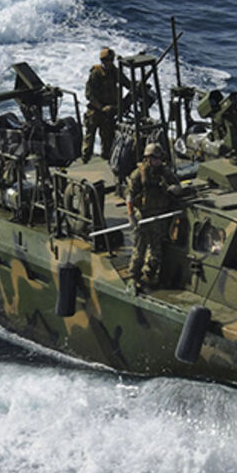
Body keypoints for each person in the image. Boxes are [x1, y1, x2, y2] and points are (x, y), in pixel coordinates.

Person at [125, 143, 182, 292]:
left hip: (160, 216)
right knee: (139, 249)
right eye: (155, 158)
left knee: (156, 251)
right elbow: (130, 196)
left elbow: (177, 185)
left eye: (159, 158)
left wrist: (174, 189)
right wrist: (131, 215)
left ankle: (148, 274)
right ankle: (133, 277)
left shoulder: (164, 172)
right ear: (148, 159)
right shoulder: (139, 174)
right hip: (143, 217)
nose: (158, 161)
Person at [82, 47, 126, 163]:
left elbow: (126, 82)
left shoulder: (114, 72)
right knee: (89, 138)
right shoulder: (96, 73)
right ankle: (85, 160)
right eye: (106, 60)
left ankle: (106, 159)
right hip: (95, 111)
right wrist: (101, 108)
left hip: (108, 113)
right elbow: (89, 94)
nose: (109, 63)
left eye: (111, 60)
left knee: (107, 139)